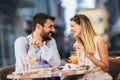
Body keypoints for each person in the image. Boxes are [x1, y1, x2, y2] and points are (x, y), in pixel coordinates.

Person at [70, 14, 113, 80]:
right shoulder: (76, 45)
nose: (70, 29)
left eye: (72, 26)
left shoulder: (98, 40)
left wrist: (87, 54)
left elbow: (106, 68)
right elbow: (81, 68)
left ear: (82, 26)